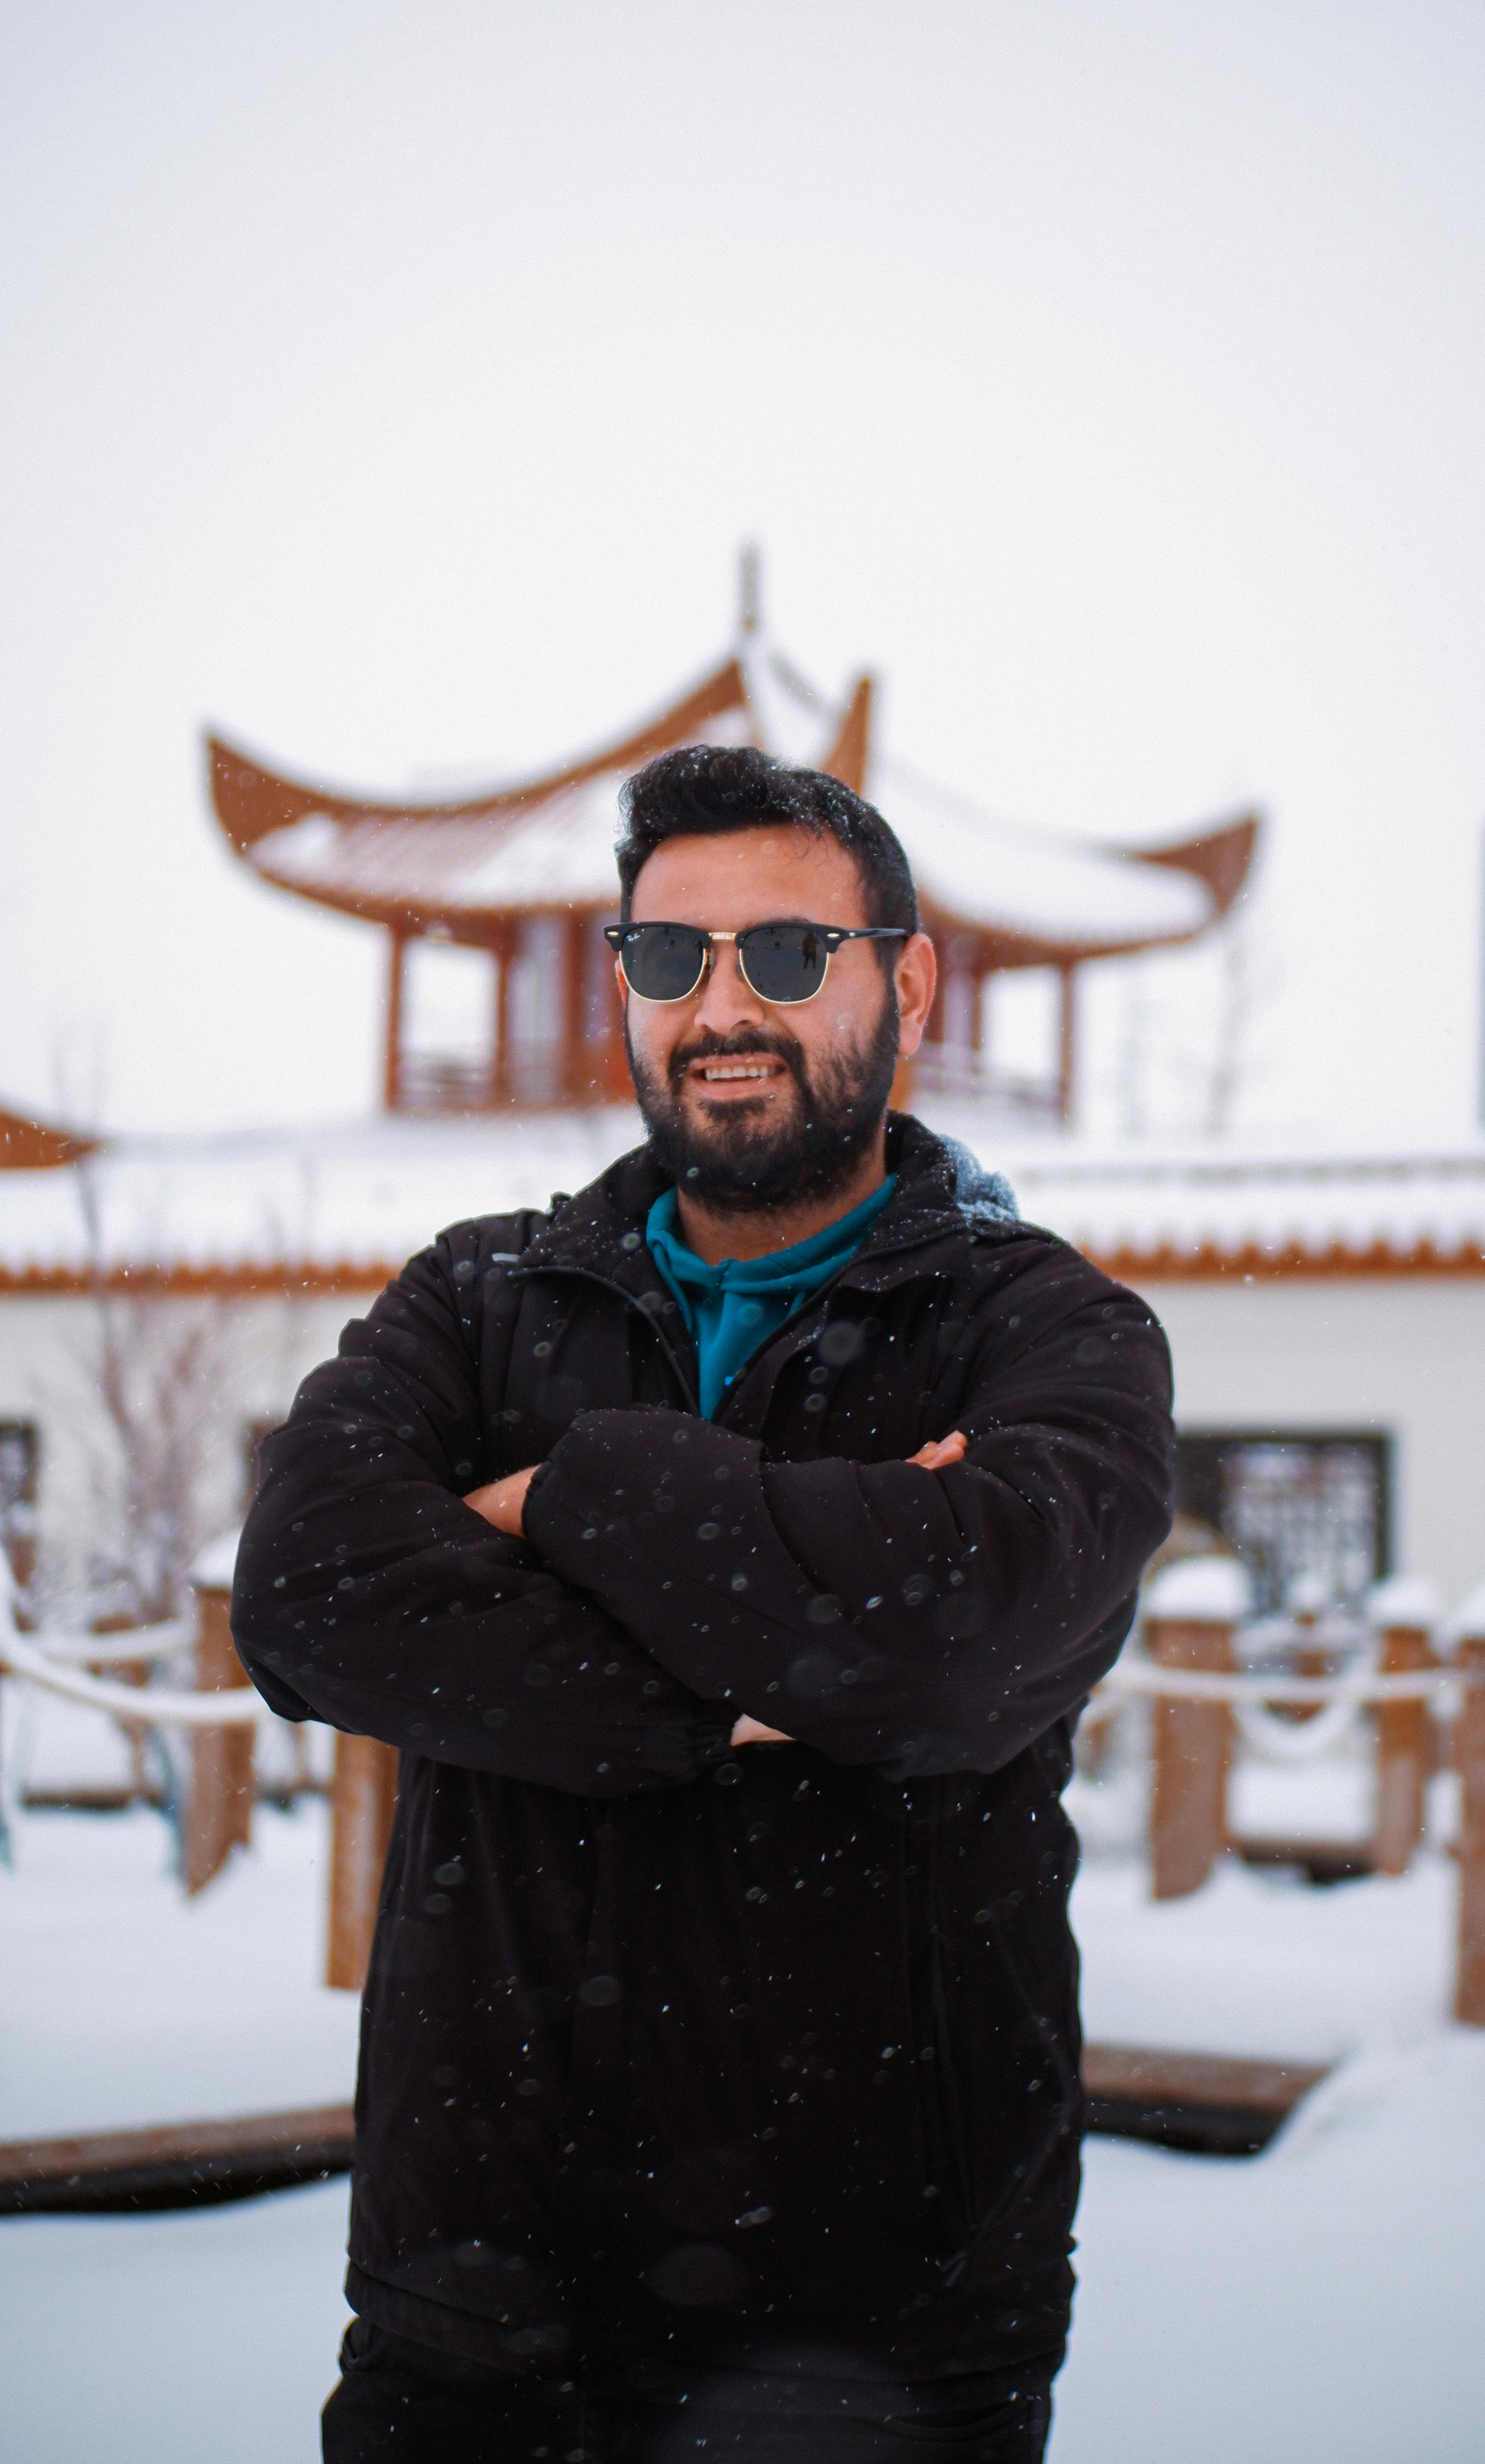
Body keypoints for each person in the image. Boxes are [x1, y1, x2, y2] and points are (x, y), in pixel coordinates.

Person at [232, 743, 1174, 2464]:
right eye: (670, 959)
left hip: (882, 2339)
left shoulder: (1054, 1334)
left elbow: (964, 1645)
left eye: (788, 955)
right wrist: (737, 1685)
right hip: (472, 2311)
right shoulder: (479, 1294)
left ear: (908, 978)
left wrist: (582, 1493)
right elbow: (302, 1595)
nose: (723, 1005)